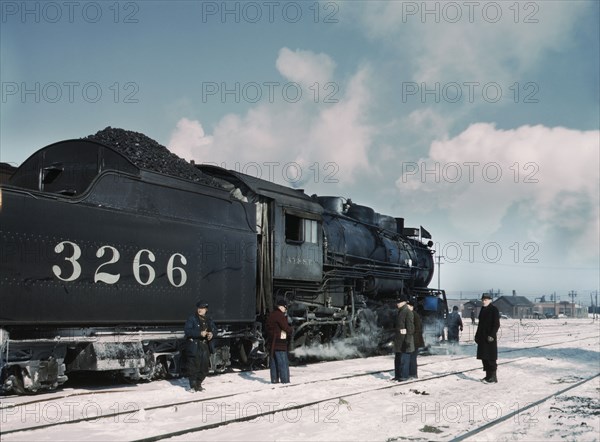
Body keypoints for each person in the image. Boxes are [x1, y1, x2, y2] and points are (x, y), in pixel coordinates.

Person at [184, 300, 216, 392]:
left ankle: (198, 384)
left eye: (202, 308)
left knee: (204, 368)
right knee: (193, 367)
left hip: (205, 346)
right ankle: (193, 386)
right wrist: (199, 333)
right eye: (199, 308)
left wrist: (212, 334)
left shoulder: (208, 319)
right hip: (195, 345)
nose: (200, 310)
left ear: (206, 309)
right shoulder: (192, 318)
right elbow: (187, 331)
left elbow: (215, 330)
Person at [475, 293, 501, 383]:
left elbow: (496, 324)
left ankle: (493, 378)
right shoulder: (482, 309)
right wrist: (477, 335)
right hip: (482, 337)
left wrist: (492, 335)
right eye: (482, 300)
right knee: (484, 358)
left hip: (490, 338)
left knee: (490, 358)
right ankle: (487, 376)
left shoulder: (494, 310)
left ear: (490, 300)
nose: (483, 301)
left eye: (485, 300)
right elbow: (480, 324)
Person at [266, 299, 293, 384]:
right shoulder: (279, 315)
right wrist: (291, 329)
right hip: (280, 343)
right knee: (283, 363)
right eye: (285, 307)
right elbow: (286, 328)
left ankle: (274, 380)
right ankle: (285, 381)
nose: (285, 309)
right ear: (281, 307)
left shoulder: (271, 315)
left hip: (272, 342)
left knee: (273, 363)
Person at [392, 294, 414, 381]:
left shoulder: (408, 312)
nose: (397, 304)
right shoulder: (399, 311)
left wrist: (408, 341)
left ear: (404, 302)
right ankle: (398, 375)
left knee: (404, 359)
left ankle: (404, 376)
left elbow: (410, 328)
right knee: (397, 359)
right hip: (398, 340)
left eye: (399, 302)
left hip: (405, 340)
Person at [407, 297, 424, 379]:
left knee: (412, 357)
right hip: (415, 339)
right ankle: (412, 373)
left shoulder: (413, 315)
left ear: (411, 306)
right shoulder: (414, 314)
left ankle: (413, 374)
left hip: (415, 339)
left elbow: (417, 329)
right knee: (412, 357)